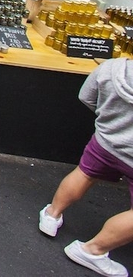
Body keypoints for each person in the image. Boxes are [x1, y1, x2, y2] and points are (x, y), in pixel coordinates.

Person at [38, 57, 133, 277]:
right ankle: (93, 250)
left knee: (84, 174)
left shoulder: (112, 67)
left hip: (105, 141)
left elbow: (86, 96)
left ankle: (52, 215)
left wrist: (108, 120)